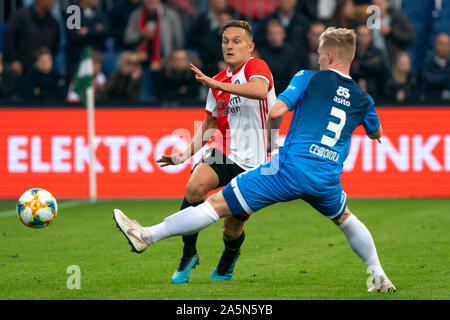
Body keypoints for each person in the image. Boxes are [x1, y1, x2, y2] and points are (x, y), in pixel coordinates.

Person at [113, 27, 396, 293]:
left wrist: (271, 140)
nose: (318, 59)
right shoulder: (363, 99)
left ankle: (146, 236)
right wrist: (376, 135)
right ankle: (377, 273)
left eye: (321, 54)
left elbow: (275, 111)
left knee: (216, 205)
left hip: (287, 168)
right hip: (326, 178)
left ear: (330, 56)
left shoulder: (308, 77)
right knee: (346, 219)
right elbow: (377, 131)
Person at [154, 20, 276, 284]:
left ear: (250, 46)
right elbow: (210, 125)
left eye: (236, 41)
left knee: (231, 229)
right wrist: (183, 155)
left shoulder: (256, 67)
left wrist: (217, 85)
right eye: (225, 41)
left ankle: (229, 258)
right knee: (194, 188)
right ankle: (188, 254)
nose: (229, 46)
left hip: (256, 161)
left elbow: (259, 91)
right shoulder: (217, 82)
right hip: (224, 151)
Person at [3, 0, 60, 77]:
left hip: (44, 75)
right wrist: (13, 60)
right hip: (21, 73)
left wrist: (48, 61)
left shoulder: (54, 23)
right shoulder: (20, 16)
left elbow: (55, 47)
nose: (53, 2)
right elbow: (9, 39)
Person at [65, 0, 109, 85]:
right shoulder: (73, 11)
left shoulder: (98, 12)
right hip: (77, 60)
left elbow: (106, 31)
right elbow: (74, 36)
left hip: (95, 59)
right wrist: (95, 30)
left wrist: (87, 31)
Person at [258, 19, 299, 94]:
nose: (275, 37)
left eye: (278, 33)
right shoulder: (261, 54)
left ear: (284, 34)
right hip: (266, 95)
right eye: (272, 34)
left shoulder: (291, 53)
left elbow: (294, 79)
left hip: (286, 95)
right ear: (267, 36)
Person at [350, 24, 387, 99]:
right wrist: (369, 64)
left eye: (366, 35)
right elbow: (350, 71)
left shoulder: (377, 52)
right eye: (361, 35)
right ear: (356, 37)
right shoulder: (351, 53)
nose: (364, 38)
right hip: (353, 93)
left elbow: (378, 68)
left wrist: (359, 64)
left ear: (371, 36)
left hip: (374, 93)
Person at [421, 33, 450, 102]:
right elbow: (429, 80)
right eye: (441, 44)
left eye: (447, 44)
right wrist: (447, 77)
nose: (444, 47)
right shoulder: (427, 63)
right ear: (435, 45)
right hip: (432, 103)